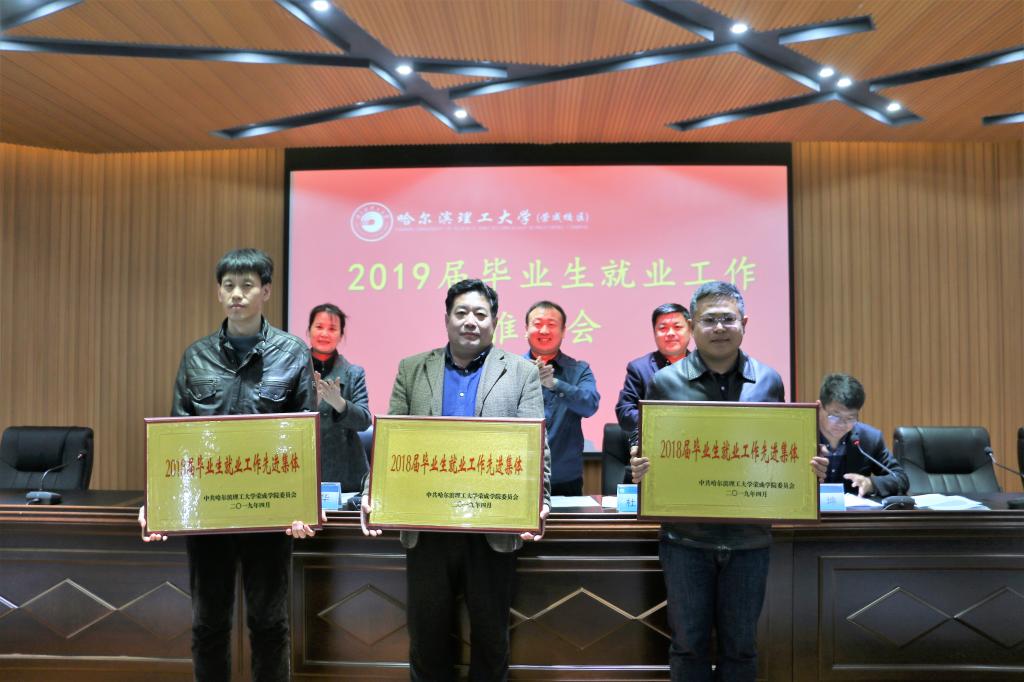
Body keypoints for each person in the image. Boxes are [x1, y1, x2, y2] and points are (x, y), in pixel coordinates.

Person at [630, 281, 827, 682]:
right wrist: (641, 466)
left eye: (727, 319)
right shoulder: (665, 383)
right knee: (688, 645)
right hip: (685, 540)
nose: (719, 327)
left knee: (741, 648)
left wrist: (807, 470)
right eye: (709, 320)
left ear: (744, 323)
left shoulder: (768, 380)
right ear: (691, 325)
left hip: (749, 540)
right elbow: (653, 449)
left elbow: (777, 448)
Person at [138, 248, 319, 682]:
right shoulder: (196, 356)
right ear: (219, 292)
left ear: (266, 291)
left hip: (269, 512)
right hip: (209, 514)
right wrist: (159, 504)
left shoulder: (293, 353)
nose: (237, 295)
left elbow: (307, 436)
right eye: (229, 286)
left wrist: (305, 505)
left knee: (270, 625)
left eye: (247, 286)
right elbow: (177, 439)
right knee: (208, 625)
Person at [361, 278, 550, 682]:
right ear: (446, 318)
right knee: (427, 638)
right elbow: (391, 439)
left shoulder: (521, 372)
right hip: (427, 527)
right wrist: (371, 492)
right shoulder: (413, 369)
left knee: (491, 639)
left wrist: (540, 500)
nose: (470, 321)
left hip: (493, 527)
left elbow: (537, 447)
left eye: (480, 314)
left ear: (495, 321)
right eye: (461, 312)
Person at [523, 300, 600, 496]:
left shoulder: (579, 370)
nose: (544, 330)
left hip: (564, 480)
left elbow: (590, 405)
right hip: (519, 476)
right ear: (526, 330)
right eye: (538, 324)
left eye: (551, 324)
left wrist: (554, 384)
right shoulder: (510, 369)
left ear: (564, 331)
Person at [307, 303, 371, 493]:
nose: (324, 334)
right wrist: (311, 405)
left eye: (332, 329)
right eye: (319, 327)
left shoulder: (353, 373)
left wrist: (340, 404)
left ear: (341, 335)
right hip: (304, 469)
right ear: (309, 330)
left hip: (347, 476)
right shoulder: (295, 371)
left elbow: (364, 421)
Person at [816, 373, 908, 497]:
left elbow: (900, 478)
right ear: (819, 407)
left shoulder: (869, 439)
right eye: (835, 416)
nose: (842, 424)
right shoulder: (799, 436)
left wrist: (871, 483)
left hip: (852, 509)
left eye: (850, 418)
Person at [615, 303, 691, 439]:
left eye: (677, 327)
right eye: (663, 328)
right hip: (655, 443)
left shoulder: (705, 366)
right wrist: (665, 420)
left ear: (690, 329)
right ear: (654, 333)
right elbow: (625, 413)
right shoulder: (639, 368)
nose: (670, 333)